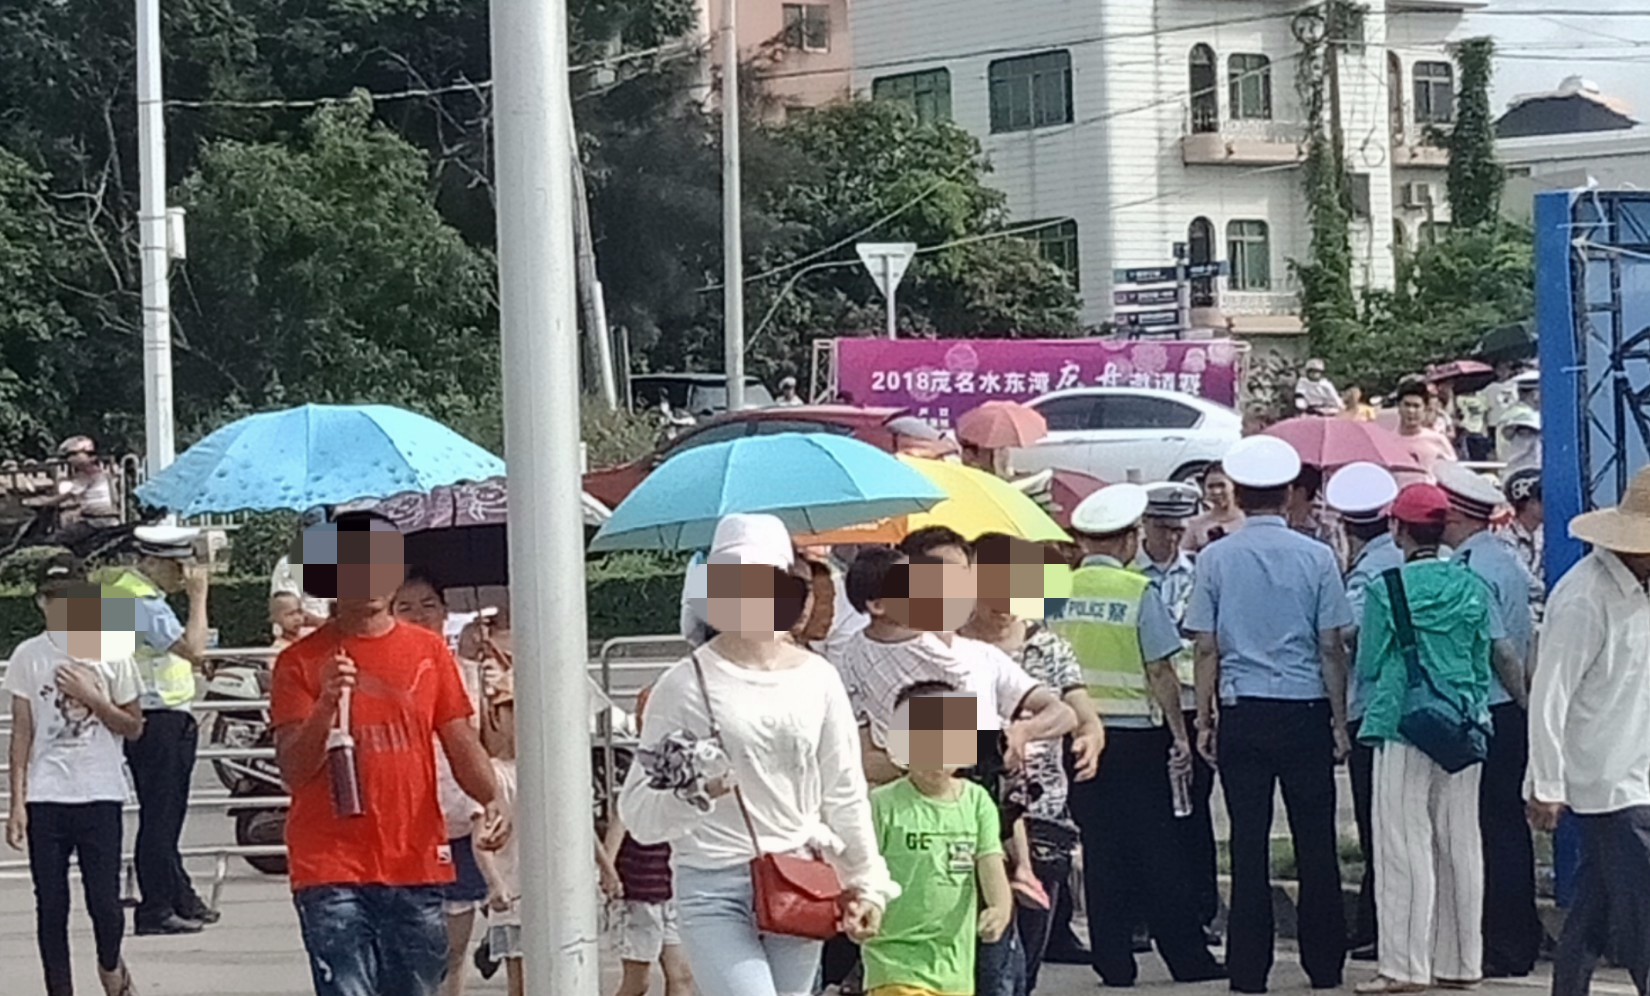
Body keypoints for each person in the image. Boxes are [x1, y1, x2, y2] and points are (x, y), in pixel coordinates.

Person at [619, 513, 896, 996]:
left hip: (800, 878)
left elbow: (844, 790)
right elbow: (639, 812)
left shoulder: (818, 678)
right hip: (711, 884)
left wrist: (866, 883)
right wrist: (698, 792)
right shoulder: (683, 685)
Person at [835, 527, 1078, 996]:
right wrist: (926, 761)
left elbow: (1061, 711)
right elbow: (858, 756)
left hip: (980, 806)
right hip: (909, 823)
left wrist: (1020, 732)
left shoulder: (978, 656)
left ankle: (1024, 871)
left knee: (1001, 965)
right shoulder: (864, 654)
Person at [271, 511, 506, 996]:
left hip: (414, 859)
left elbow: (459, 739)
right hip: (330, 867)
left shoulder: (429, 652)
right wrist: (326, 705)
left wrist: (492, 797)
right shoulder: (299, 662)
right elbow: (294, 769)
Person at [1187, 435, 1353, 994]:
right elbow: (1331, 645)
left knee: (1248, 842)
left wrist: (1205, 718)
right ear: (1287, 496)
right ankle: (1325, 964)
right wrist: (1338, 719)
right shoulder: (1318, 556)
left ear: (1237, 494)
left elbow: (1205, 647)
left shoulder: (1215, 558)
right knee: (1316, 841)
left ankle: (1248, 970)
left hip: (1243, 710)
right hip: (1305, 709)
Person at [1056, 484, 1225, 988]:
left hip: (1076, 737)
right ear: (1129, 539)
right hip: (1137, 739)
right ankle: (1187, 957)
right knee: (1159, 850)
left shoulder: (1053, 588)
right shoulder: (1136, 591)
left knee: (1101, 850)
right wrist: (1181, 735)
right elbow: (1160, 671)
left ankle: (1113, 960)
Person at [1352, 483, 1496, 994]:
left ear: (1398, 529)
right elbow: (1482, 656)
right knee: (1461, 841)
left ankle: (1404, 965)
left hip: (1405, 721)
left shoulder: (1386, 588)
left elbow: (1369, 663)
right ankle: (1462, 961)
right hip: (1465, 721)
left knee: (1403, 842)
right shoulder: (1473, 585)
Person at [959, 533, 1104, 992]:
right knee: (987, 953)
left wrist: (1090, 738)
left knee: (1028, 949)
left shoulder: (1050, 648)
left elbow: (1081, 714)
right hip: (973, 813)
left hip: (1043, 815)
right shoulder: (950, 647)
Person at [1528, 467, 1650, 996]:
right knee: (1644, 912)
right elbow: (1549, 694)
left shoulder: (1641, 589)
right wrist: (1546, 783)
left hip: (1636, 769)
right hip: (1607, 779)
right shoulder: (1586, 597)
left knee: (1593, 911)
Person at [5, 554, 145, 996]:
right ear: (40, 602)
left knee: (105, 904)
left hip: (99, 793)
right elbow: (22, 733)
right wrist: (16, 803)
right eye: (53, 598)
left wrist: (93, 699)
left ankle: (110, 965)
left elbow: (133, 726)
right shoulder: (28, 655)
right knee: (51, 906)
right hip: (47, 796)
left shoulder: (111, 647)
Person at [1434, 462, 1542, 979]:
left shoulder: (1468, 570)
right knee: (1507, 828)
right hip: (1509, 709)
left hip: (1489, 706)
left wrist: (1521, 700)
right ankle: (1516, 935)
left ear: (1455, 516)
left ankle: (1504, 940)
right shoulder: (1505, 559)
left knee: (1487, 831)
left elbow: (1500, 649)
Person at [862, 681, 1013, 996]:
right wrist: (866, 905)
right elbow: (864, 872)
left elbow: (991, 866)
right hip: (893, 961)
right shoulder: (882, 804)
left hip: (955, 967)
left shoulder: (977, 802)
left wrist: (999, 909)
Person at [98, 525, 215, 935]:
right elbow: (194, 649)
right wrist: (200, 598)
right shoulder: (143, 602)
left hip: (145, 711)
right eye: (176, 566)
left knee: (161, 814)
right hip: (160, 713)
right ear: (152, 561)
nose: (183, 575)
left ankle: (181, 895)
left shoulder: (118, 591)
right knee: (162, 819)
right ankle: (156, 908)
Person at [390, 571, 489, 996]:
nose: (418, 615)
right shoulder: (384, 674)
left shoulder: (467, 672)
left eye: (428, 605)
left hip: (462, 820)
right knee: (411, 945)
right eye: (406, 607)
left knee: (454, 947)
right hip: (406, 825)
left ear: (445, 612)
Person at [1325, 462, 1404, 962]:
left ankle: (1379, 926)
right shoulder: (1404, 558)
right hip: (1407, 707)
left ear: (1346, 526)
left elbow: (1343, 632)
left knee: (1379, 826)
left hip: (1371, 709)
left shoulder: (1369, 572)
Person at [1134, 482, 1220, 942]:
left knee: (1194, 813)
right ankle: (1147, 914)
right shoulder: (1129, 575)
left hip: (1190, 703)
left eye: (1178, 529)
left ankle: (1199, 911)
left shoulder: (1200, 572)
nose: (1171, 537)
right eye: (1163, 528)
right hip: (1143, 707)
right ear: (1144, 525)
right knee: (1149, 815)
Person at [603, 684, 693, 996]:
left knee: (682, 976)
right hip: (639, 888)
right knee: (637, 982)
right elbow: (622, 818)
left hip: (672, 883)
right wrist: (608, 870)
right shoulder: (644, 764)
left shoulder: (687, 761)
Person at [40, 436, 121, 546]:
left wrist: (43, 502)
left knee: (55, 540)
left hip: (96, 522)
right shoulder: (99, 473)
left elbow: (65, 497)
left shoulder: (87, 474)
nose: (69, 459)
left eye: (71, 455)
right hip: (104, 519)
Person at [1499, 469, 1545, 623]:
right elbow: (1524, 581)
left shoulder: (1547, 535)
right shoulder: (1505, 540)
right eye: (1541, 498)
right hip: (1521, 617)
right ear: (1528, 504)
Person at [1394, 381, 1457, 478]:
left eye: (1416, 406)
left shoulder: (1437, 440)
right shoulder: (1388, 441)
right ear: (1398, 406)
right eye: (1407, 405)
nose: (1411, 411)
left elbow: (1453, 473)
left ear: (1425, 409)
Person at [1184, 464, 1245, 553]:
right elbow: (1185, 555)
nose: (1216, 491)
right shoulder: (1196, 523)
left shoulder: (1247, 522)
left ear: (1234, 486)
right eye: (1210, 486)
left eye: (1222, 485)